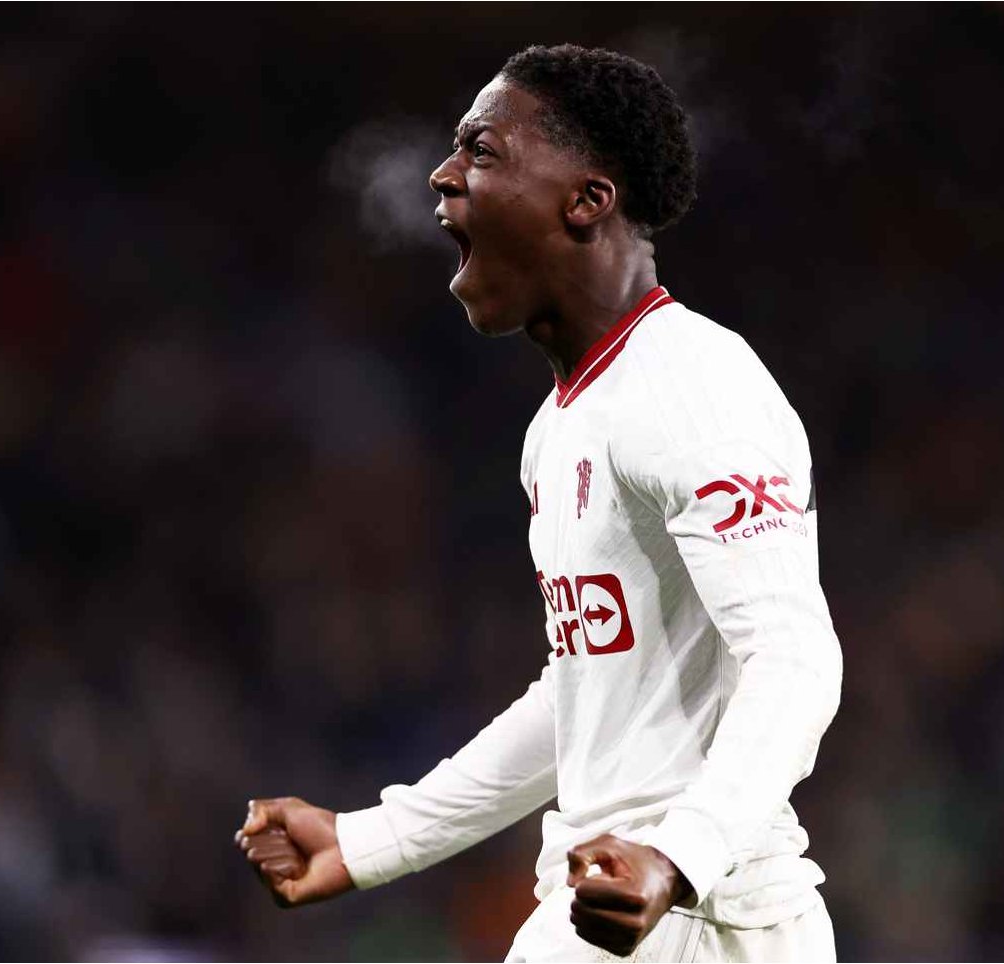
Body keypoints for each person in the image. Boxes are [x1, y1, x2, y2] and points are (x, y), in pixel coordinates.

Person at [236, 43, 844, 963]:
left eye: (481, 150)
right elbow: (581, 695)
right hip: (624, 908)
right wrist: (373, 841)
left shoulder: (693, 386)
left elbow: (795, 658)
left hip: (699, 921)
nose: (443, 176)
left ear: (586, 200)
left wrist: (678, 856)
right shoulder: (560, 426)